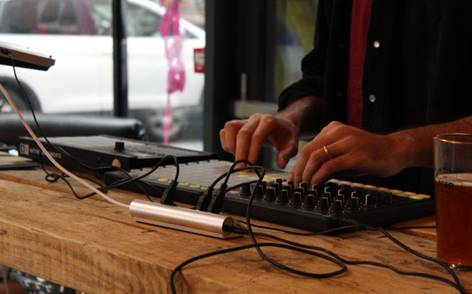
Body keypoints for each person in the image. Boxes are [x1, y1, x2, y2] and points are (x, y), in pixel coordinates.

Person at [219, 0, 472, 195]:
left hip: (447, 222)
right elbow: (324, 80)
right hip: (347, 216)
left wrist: (396, 147)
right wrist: (291, 119)